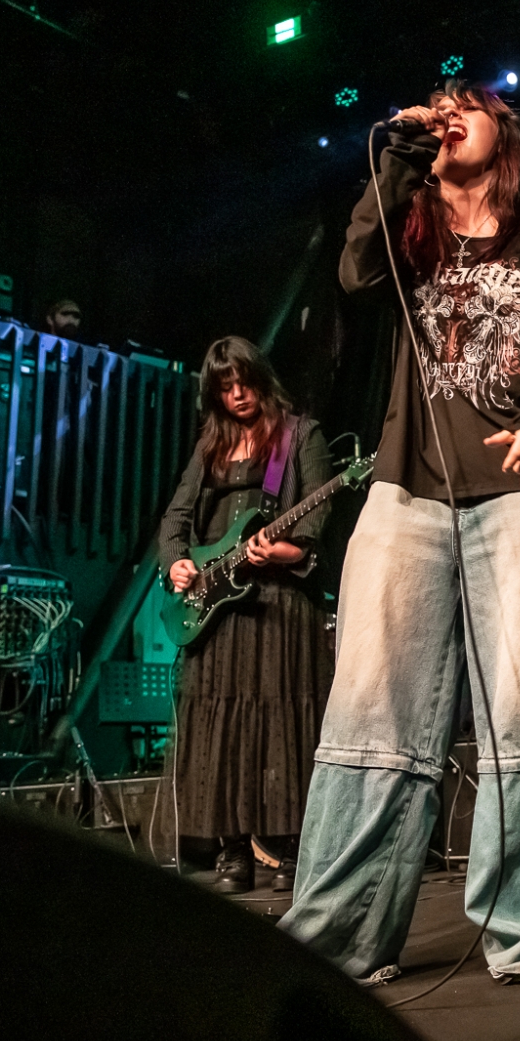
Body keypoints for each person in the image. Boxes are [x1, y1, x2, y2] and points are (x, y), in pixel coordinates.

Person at [281, 81, 520, 986]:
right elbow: (354, 272)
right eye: (437, 103)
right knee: (369, 716)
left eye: (467, 103)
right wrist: (396, 157)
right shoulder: (409, 234)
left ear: (506, 131)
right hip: (405, 491)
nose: (448, 112)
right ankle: (337, 940)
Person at [156, 336, 335, 895]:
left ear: (260, 377)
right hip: (216, 607)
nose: (237, 394)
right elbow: (176, 517)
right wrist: (176, 562)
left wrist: (285, 551)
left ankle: (290, 848)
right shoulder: (210, 446)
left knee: (283, 725)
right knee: (222, 729)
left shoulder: (300, 435)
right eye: (225, 387)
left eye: (243, 382)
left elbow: (318, 511)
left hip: (280, 605)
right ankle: (233, 849)